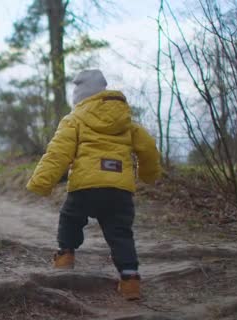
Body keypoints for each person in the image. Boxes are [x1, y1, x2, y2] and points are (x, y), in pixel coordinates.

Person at [26, 69, 162, 300]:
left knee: (70, 218)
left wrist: (41, 183)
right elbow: (148, 149)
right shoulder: (127, 122)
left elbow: (58, 153)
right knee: (120, 233)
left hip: (85, 188)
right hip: (119, 190)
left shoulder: (74, 119)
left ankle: (65, 255)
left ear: (79, 98)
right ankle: (130, 279)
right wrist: (149, 175)